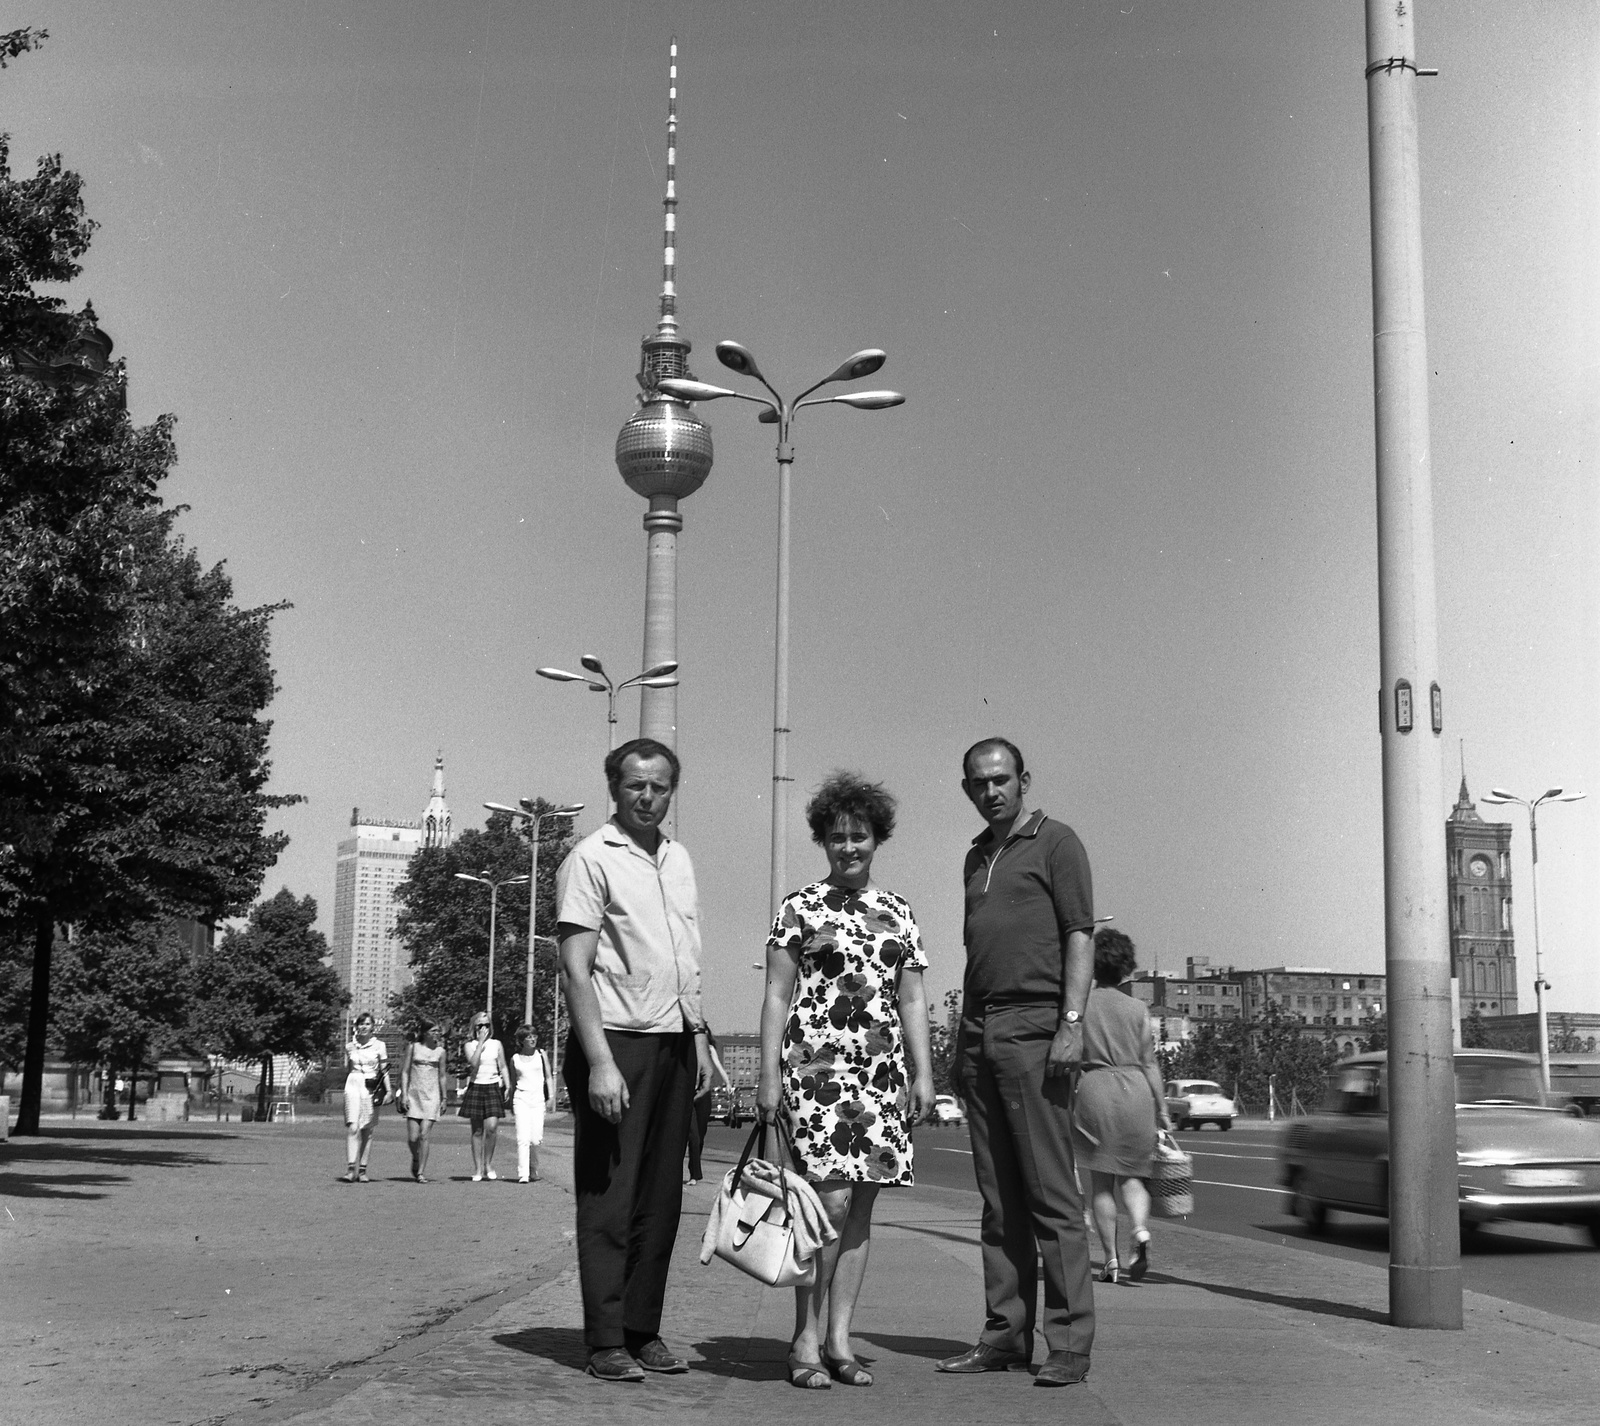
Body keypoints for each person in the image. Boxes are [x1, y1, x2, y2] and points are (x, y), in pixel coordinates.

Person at [758, 772, 935, 1391]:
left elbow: (912, 999)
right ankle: (803, 1338)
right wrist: (769, 1075)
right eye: (838, 837)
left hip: (881, 1075)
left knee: (859, 1211)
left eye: (859, 836)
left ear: (876, 838)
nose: (849, 847)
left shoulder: (899, 911)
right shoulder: (799, 908)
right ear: (823, 842)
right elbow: (778, 992)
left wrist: (923, 1073)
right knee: (825, 1203)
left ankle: (839, 1338)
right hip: (816, 1072)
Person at [936, 738, 1097, 1389]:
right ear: (968, 788)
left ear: (1023, 780)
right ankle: (1005, 1334)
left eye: (1002, 779)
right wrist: (959, 1045)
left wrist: (1072, 1025)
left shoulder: (1058, 844)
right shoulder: (976, 857)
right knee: (999, 1201)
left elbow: (1079, 934)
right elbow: (977, 956)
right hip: (981, 1033)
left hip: (1038, 1029)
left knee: (1051, 1195)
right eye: (979, 782)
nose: (992, 790)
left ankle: (1069, 1342)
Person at [557, 737, 713, 1383]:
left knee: (660, 1199)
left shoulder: (678, 860)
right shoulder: (590, 858)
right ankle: (605, 1341)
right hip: (616, 1042)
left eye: (658, 786)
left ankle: (643, 1328)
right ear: (614, 789)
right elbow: (575, 966)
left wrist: (699, 1039)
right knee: (610, 1198)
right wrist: (599, 1063)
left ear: (672, 791)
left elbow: (684, 959)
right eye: (634, 785)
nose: (647, 796)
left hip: (674, 1042)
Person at [1074, 927, 1173, 1284]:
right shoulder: (1137, 1008)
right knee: (1134, 1177)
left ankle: (1111, 1260)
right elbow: (1150, 1062)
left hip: (1095, 1089)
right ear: (1126, 967)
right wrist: (1162, 1108)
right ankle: (1141, 1230)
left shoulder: (1080, 1004)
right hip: (1136, 1093)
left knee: (1101, 1184)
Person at [459, 1011, 510, 1181]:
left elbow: (502, 1065)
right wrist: (480, 1042)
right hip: (477, 1087)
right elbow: (473, 1063)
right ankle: (478, 1168)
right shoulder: (470, 1045)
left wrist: (508, 1085)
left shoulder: (496, 1044)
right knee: (477, 1130)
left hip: (492, 1086)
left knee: (492, 1127)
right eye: (480, 1025)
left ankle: (488, 1164)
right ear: (474, 1027)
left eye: (487, 1025)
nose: (484, 1028)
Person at [341, 1013, 392, 1183]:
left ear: (372, 1027)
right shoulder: (350, 1046)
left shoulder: (379, 1045)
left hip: (371, 1087)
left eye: (367, 1024)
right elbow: (349, 1069)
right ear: (356, 1026)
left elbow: (384, 1070)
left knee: (367, 1130)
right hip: (353, 1085)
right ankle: (350, 1169)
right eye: (361, 1024)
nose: (364, 1027)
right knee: (353, 1127)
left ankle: (362, 1170)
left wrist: (389, 1091)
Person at [399, 1020, 447, 1183]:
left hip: (432, 1096)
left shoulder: (440, 1051)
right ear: (425, 1032)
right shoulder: (413, 1048)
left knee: (424, 1134)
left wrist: (444, 1097)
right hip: (414, 1095)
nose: (437, 1033)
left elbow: (442, 1075)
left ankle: (420, 1172)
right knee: (413, 1138)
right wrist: (404, 1094)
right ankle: (416, 1157)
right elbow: (405, 1072)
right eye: (433, 1030)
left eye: (438, 1031)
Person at [685, 1029, 730, 1185]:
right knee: (693, 1136)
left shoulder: (709, 1049)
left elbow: (718, 1066)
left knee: (701, 1135)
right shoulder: (686, 1048)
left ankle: (693, 1169)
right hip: (688, 1096)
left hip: (704, 1095)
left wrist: (728, 1083)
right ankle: (694, 1175)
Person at [511, 1024, 553, 1183]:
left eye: (534, 1036)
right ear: (522, 1040)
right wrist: (510, 1104)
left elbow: (548, 1076)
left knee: (536, 1139)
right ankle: (523, 1174)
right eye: (528, 1037)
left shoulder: (541, 1055)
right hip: (521, 1098)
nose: (532, 1039)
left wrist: (552, 1097)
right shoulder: (515, 1059)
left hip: (538, 1100)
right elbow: (514, 1082)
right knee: (523, 1138)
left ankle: (533, 1169)